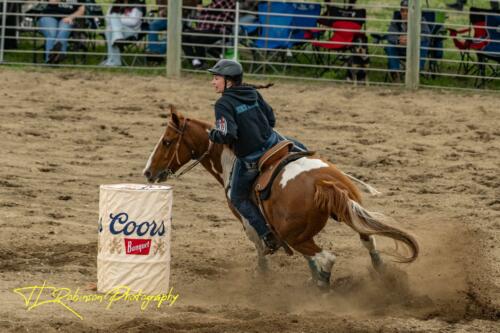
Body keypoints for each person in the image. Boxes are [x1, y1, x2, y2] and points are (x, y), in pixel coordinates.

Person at [206, 59, 282, 254]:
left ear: (228, 82)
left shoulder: (223, 103)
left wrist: (212, 133)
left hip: (252, 157)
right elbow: (271, 119)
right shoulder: (254, 93)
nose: (212, 82)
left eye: (216, 78)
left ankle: (267, 235)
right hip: (274, 144)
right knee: (301, 149)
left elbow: (226, 135)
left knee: (237, 197)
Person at [384, 0, 430, 82]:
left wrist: (411, 40)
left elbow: (426, 36)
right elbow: (390, 35)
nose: (404, 13)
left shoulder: (421, 20)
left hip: (415, 50)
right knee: (390, 46)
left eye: (407, 11)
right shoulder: (396, 20)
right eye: (402, 11)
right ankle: (395, 73)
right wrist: (398, 40)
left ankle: (417, 72)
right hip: (401, 49)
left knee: (424, 43)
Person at [182, 0, 236, 68]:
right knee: (183, 36)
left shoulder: (227, 1)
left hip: (218, 31)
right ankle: (195, 61)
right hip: (203, 30)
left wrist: (201, 5)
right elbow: (201, 9)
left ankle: (202, 62)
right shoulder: (210, 2)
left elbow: (213, 7)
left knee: (198, 36)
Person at [101, 0, 143, 66]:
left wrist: (118, 19)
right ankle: (118, 39)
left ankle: (112, 61)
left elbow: (134, 22)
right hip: (116, 30)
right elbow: (107, 19)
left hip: (131, 31)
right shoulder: (114, 5)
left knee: (113, 19)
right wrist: (120, 19)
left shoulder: (136, 5)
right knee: (109, 30)